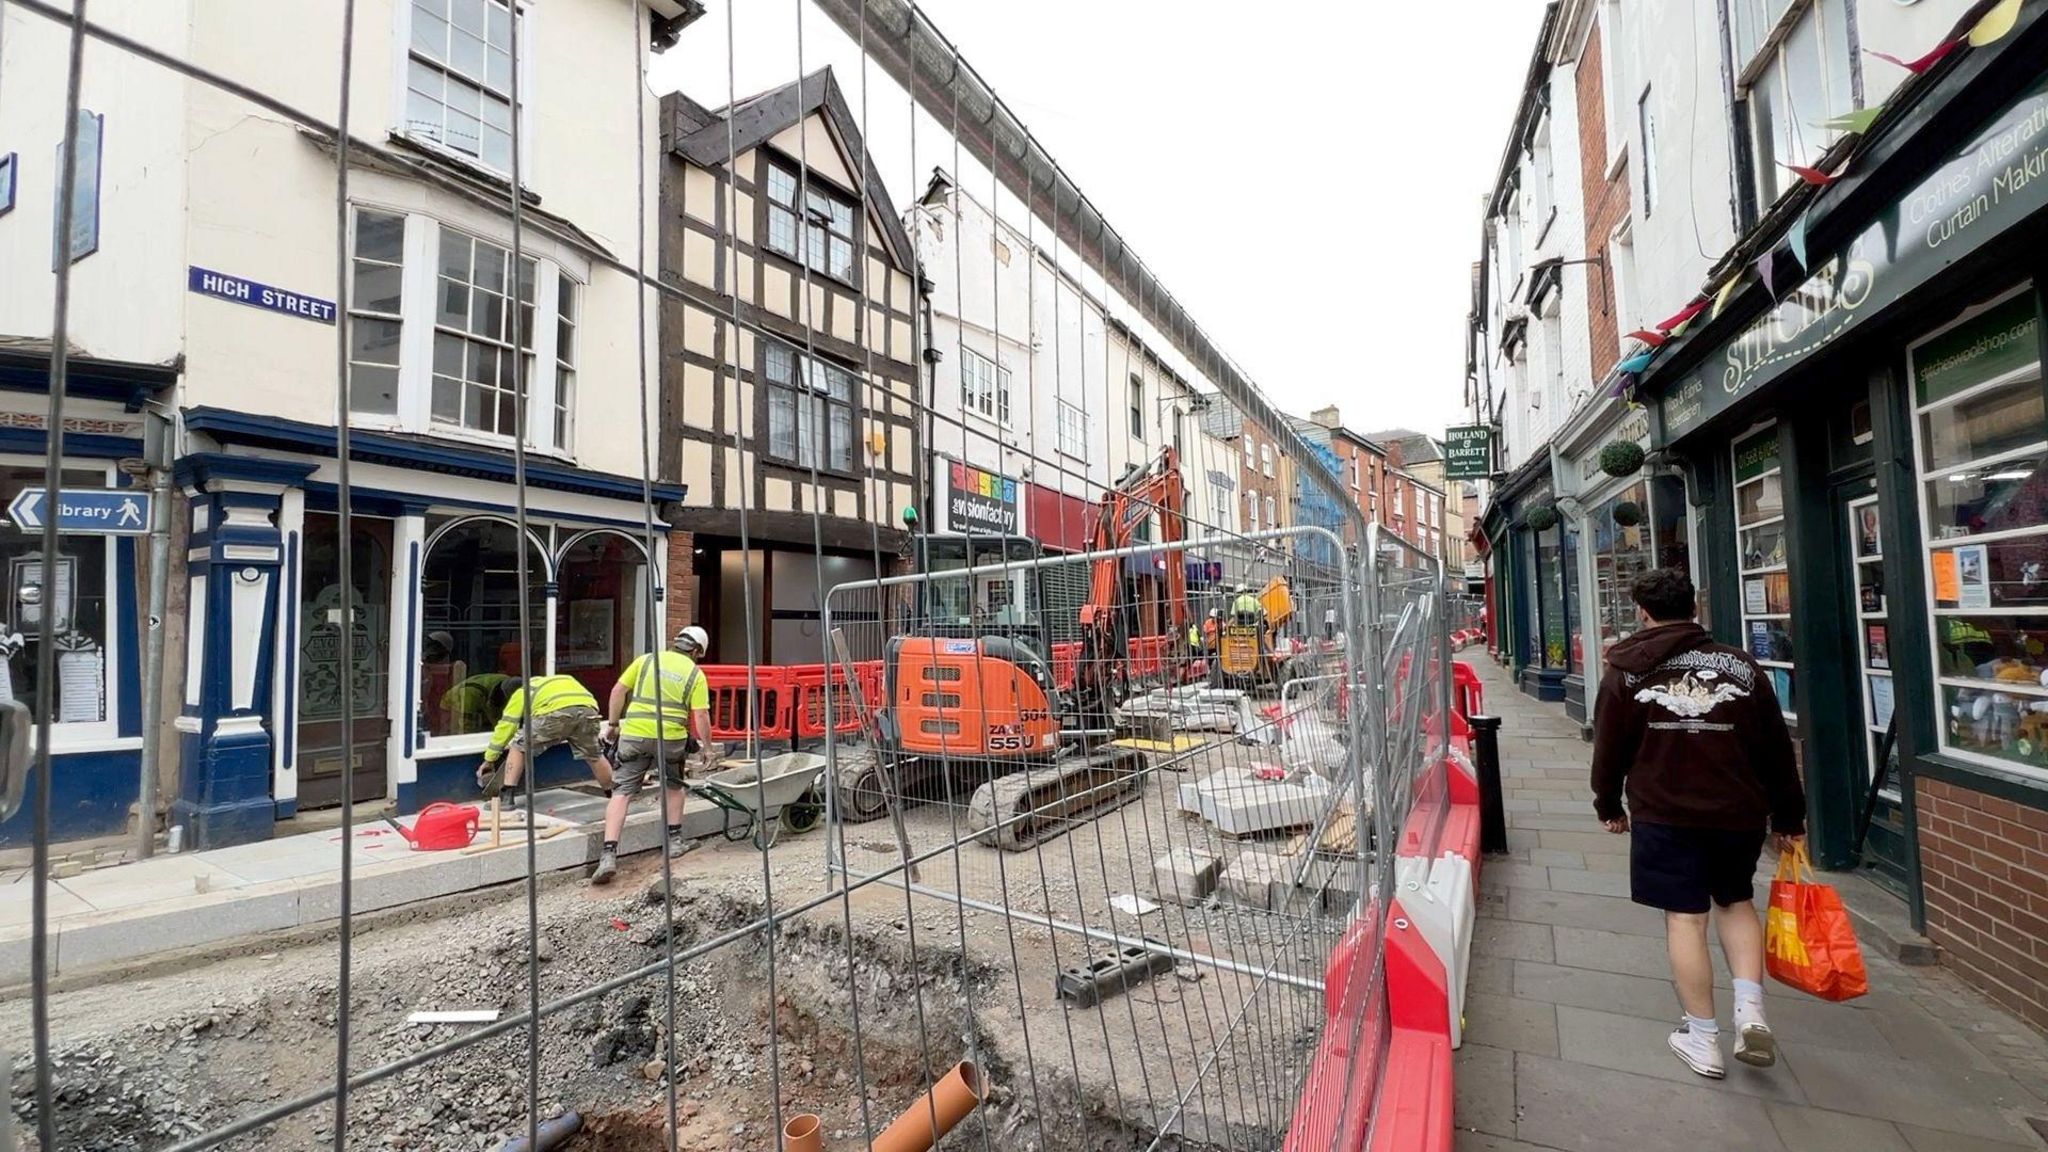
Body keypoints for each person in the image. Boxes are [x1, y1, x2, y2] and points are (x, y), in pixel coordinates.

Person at [1590, 567, 1806, 1080]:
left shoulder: (1625, 670)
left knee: (1685, 918)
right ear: (1695, 609)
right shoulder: (1741, 666)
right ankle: (1749, 1012)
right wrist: (1790, 816)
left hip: (1665, 813)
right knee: (1735, 902)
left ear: (1643, 612)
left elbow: (1609, 749)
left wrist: (1608, 805)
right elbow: (1775, 749)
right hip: (1738, 811)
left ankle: (1703, 1038)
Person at [589, 626, 715, 885]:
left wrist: (612, 725)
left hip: (634, 736)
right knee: (674, 787)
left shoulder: (646, 660)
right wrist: (708, 748)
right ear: (696, 651)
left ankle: (609, 855)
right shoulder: (695, 673)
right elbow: (701, 715)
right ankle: (674, 841)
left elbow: (617, 691)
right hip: (670, 740)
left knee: (621, 792)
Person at [474, 675, 614, 801]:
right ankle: (613, 794)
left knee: (519, 745)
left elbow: (506, 726)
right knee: (594, 755)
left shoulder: (521, 692)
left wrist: (489, 759)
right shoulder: (554, 682)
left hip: (555, 713)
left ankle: (507, 798)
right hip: (588, 709)